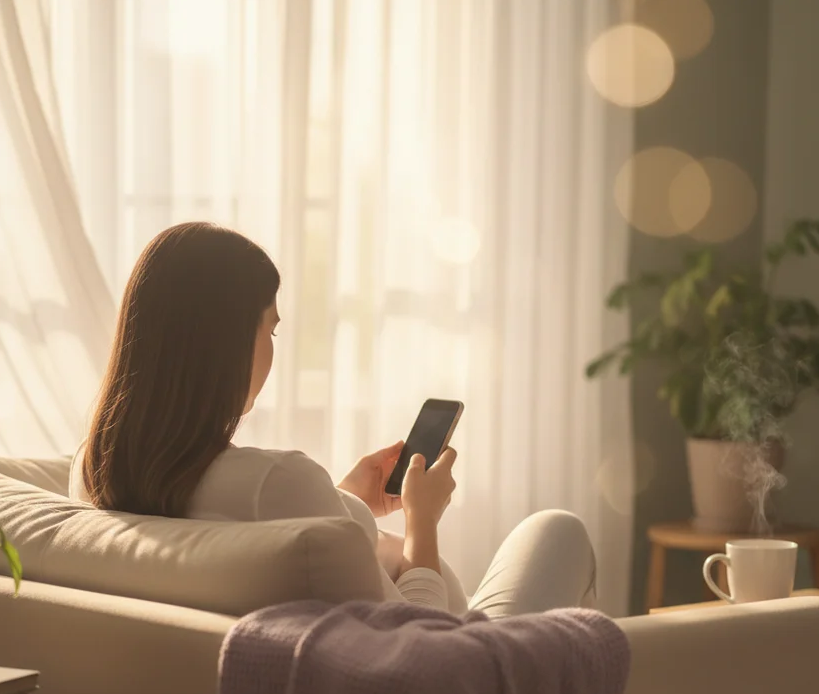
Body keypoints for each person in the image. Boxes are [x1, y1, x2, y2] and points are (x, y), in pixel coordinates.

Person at [70, 222, 596, 616]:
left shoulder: (95, 471)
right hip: (463, 663)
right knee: (558, 530)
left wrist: (347, 500)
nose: (271, 348)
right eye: (270, 330)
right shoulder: (280, 481)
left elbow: (261, 536)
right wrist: (422, 520)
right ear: (226, 345)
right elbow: (421, 638)